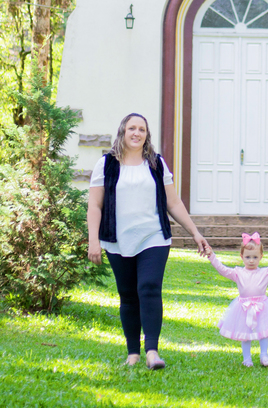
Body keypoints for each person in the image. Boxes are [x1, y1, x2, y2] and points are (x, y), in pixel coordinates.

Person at [87, 112, 211, 369]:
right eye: (131, 128)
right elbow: (95, 206)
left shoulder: (156, 163)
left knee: (149, 287)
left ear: (147, 134)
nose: (136, 133)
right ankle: (133, 353)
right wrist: (93, 241)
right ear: (122, 131)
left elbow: (173, 202)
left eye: (141, 129)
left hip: (153, 236)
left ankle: (152, 351)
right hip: (117, 239)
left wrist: (195, 233)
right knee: (128, 295)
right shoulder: (107, 164)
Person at [207, 232, 268, 367]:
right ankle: (247, 358)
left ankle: (264, 355)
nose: (251, 260)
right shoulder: (237, 273)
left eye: (255, 257)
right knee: (245, 333)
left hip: (262, 306)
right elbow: (222, 269)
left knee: (264, 331)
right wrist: (211, 256)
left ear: (261, 257)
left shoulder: (265, 273)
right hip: (243, 307)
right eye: (248, 257)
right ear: (241, 256)